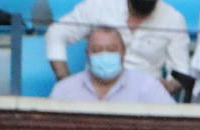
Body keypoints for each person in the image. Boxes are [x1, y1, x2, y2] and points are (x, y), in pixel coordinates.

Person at [45, 0, 189, 97]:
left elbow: (182, 72)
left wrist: (169, 86)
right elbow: (56, 33)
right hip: (96, 91)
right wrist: (63, 78)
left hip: (145, 96)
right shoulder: (100, 5)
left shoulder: (174, 19)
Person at [50, 25, 174, 102]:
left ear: (123, 52)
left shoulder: (147, 87)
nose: (104, 55)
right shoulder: (64, 90)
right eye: (97, 50)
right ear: (87, 53)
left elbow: (173, 124)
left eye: (111, 50)